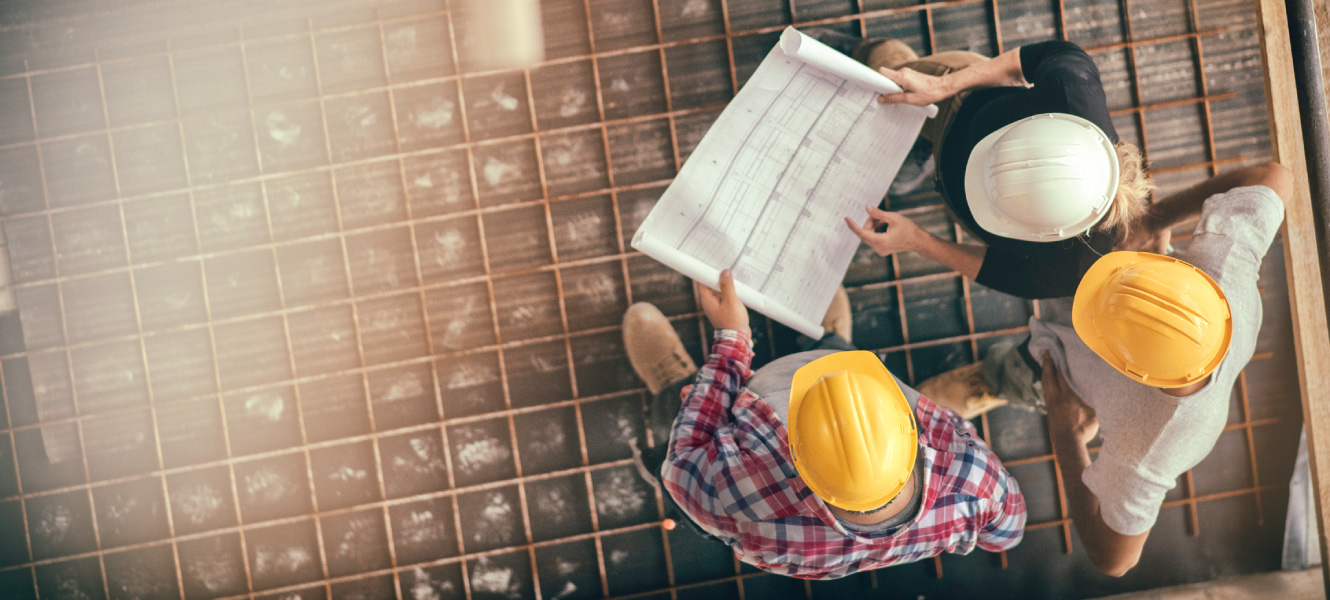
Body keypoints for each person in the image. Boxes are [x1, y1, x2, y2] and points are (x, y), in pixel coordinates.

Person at [921, 162, 1292, 576]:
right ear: (1187, 277)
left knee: (1027, 373)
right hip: (1120, 304)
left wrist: (1067, 439)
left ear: (1126, 367)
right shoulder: (1224, 270)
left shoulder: (1149, 446)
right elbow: (1273, 176)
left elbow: (1115, 559)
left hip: (1066, 375)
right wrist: (1154, 220)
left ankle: (995, 380)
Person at [622, 271, 1026, 579]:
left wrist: (732, 340)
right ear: (912, 434)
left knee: (678, 413)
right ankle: (834, 346)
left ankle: (675, 385)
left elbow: (683, 461)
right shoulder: (975, 481)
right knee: (841, 356)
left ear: (793, 452)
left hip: (736, 408)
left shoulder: (742, 499)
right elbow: (1005, 536)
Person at [811, 32, 1154, 299]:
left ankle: (922, 153)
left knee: (900, 140)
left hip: (958, 160)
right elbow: (1026, 60)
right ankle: (867, 49)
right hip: (958, 100)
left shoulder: (1074, 268)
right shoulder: (1071, 87)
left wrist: (917, 241)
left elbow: (996, 269)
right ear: (1044, 120)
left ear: (1048, 233)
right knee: (887, 72)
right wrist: (940, 85)